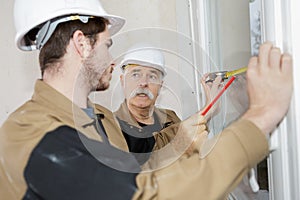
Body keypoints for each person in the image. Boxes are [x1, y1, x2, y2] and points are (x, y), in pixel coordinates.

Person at [0, 0, 293, 199]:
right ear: (81, 44)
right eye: (107, 45)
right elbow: (146, 193)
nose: (111, 59)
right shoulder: (38, 138)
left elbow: (134, 172)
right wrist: (262, 115)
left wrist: (182, 140)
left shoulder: (86, 121)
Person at [114, 44, 221, 165]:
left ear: (160, 86)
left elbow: (190, 149)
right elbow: (149, 158)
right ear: (123, 81)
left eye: (152, 76)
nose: (143, 83)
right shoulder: (111, 126)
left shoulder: (170, 117)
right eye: (136, 75)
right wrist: (207, 110)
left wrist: (209, 110)